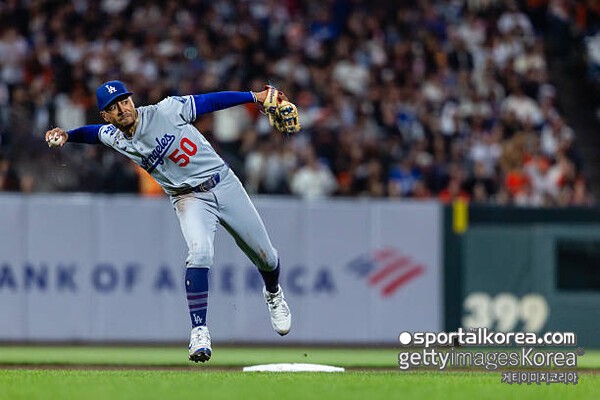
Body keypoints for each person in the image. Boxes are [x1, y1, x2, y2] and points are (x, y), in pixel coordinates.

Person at [45, 80, 292, 363]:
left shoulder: (166, 110)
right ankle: (199, 331)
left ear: (131, 101)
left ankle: (273, 293)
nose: (122, 109)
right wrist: (68, 135)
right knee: (199, 252)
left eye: (124, 101)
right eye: (113, 107)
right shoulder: (115, 136)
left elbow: (210, 101)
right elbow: (93, 134)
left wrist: (254, 96)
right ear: (106, 116)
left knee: (266, 258)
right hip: (188, 199)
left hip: (223, 183)